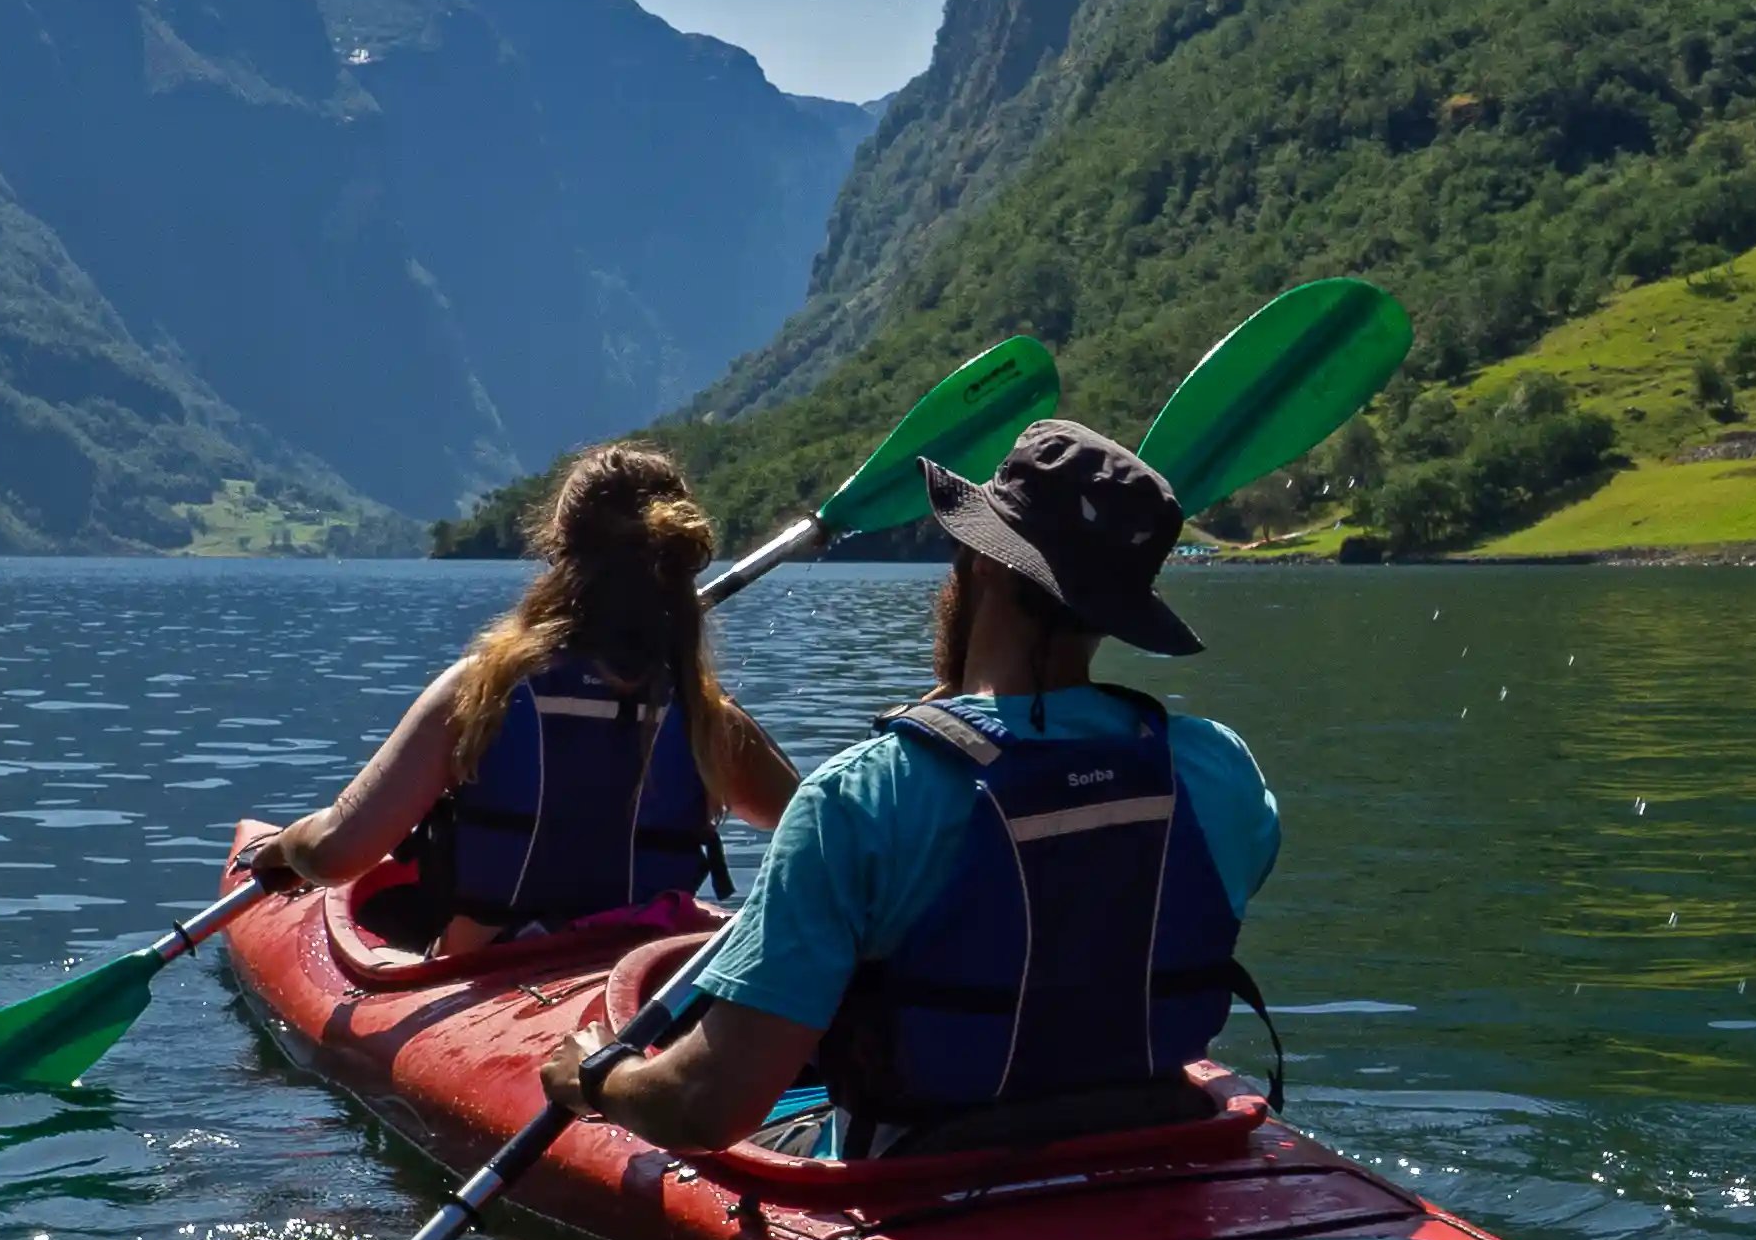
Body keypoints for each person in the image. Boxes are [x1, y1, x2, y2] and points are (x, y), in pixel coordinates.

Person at [543, 418, 1277, 1155]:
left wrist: (598, 1078)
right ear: (1118, 612)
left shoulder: (859, 802)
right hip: (1152, 1142)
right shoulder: (1221, 773)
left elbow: (707, 1109)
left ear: (979, 560)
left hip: (923, 1171)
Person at [241, 440, 794, 956]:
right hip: (646, 971)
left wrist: (283, 846)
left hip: (494, 972)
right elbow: (803, 815)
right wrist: (692, 682)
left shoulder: (484, 690)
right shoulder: (705, 715)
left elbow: (336, 853)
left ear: (559, 555)